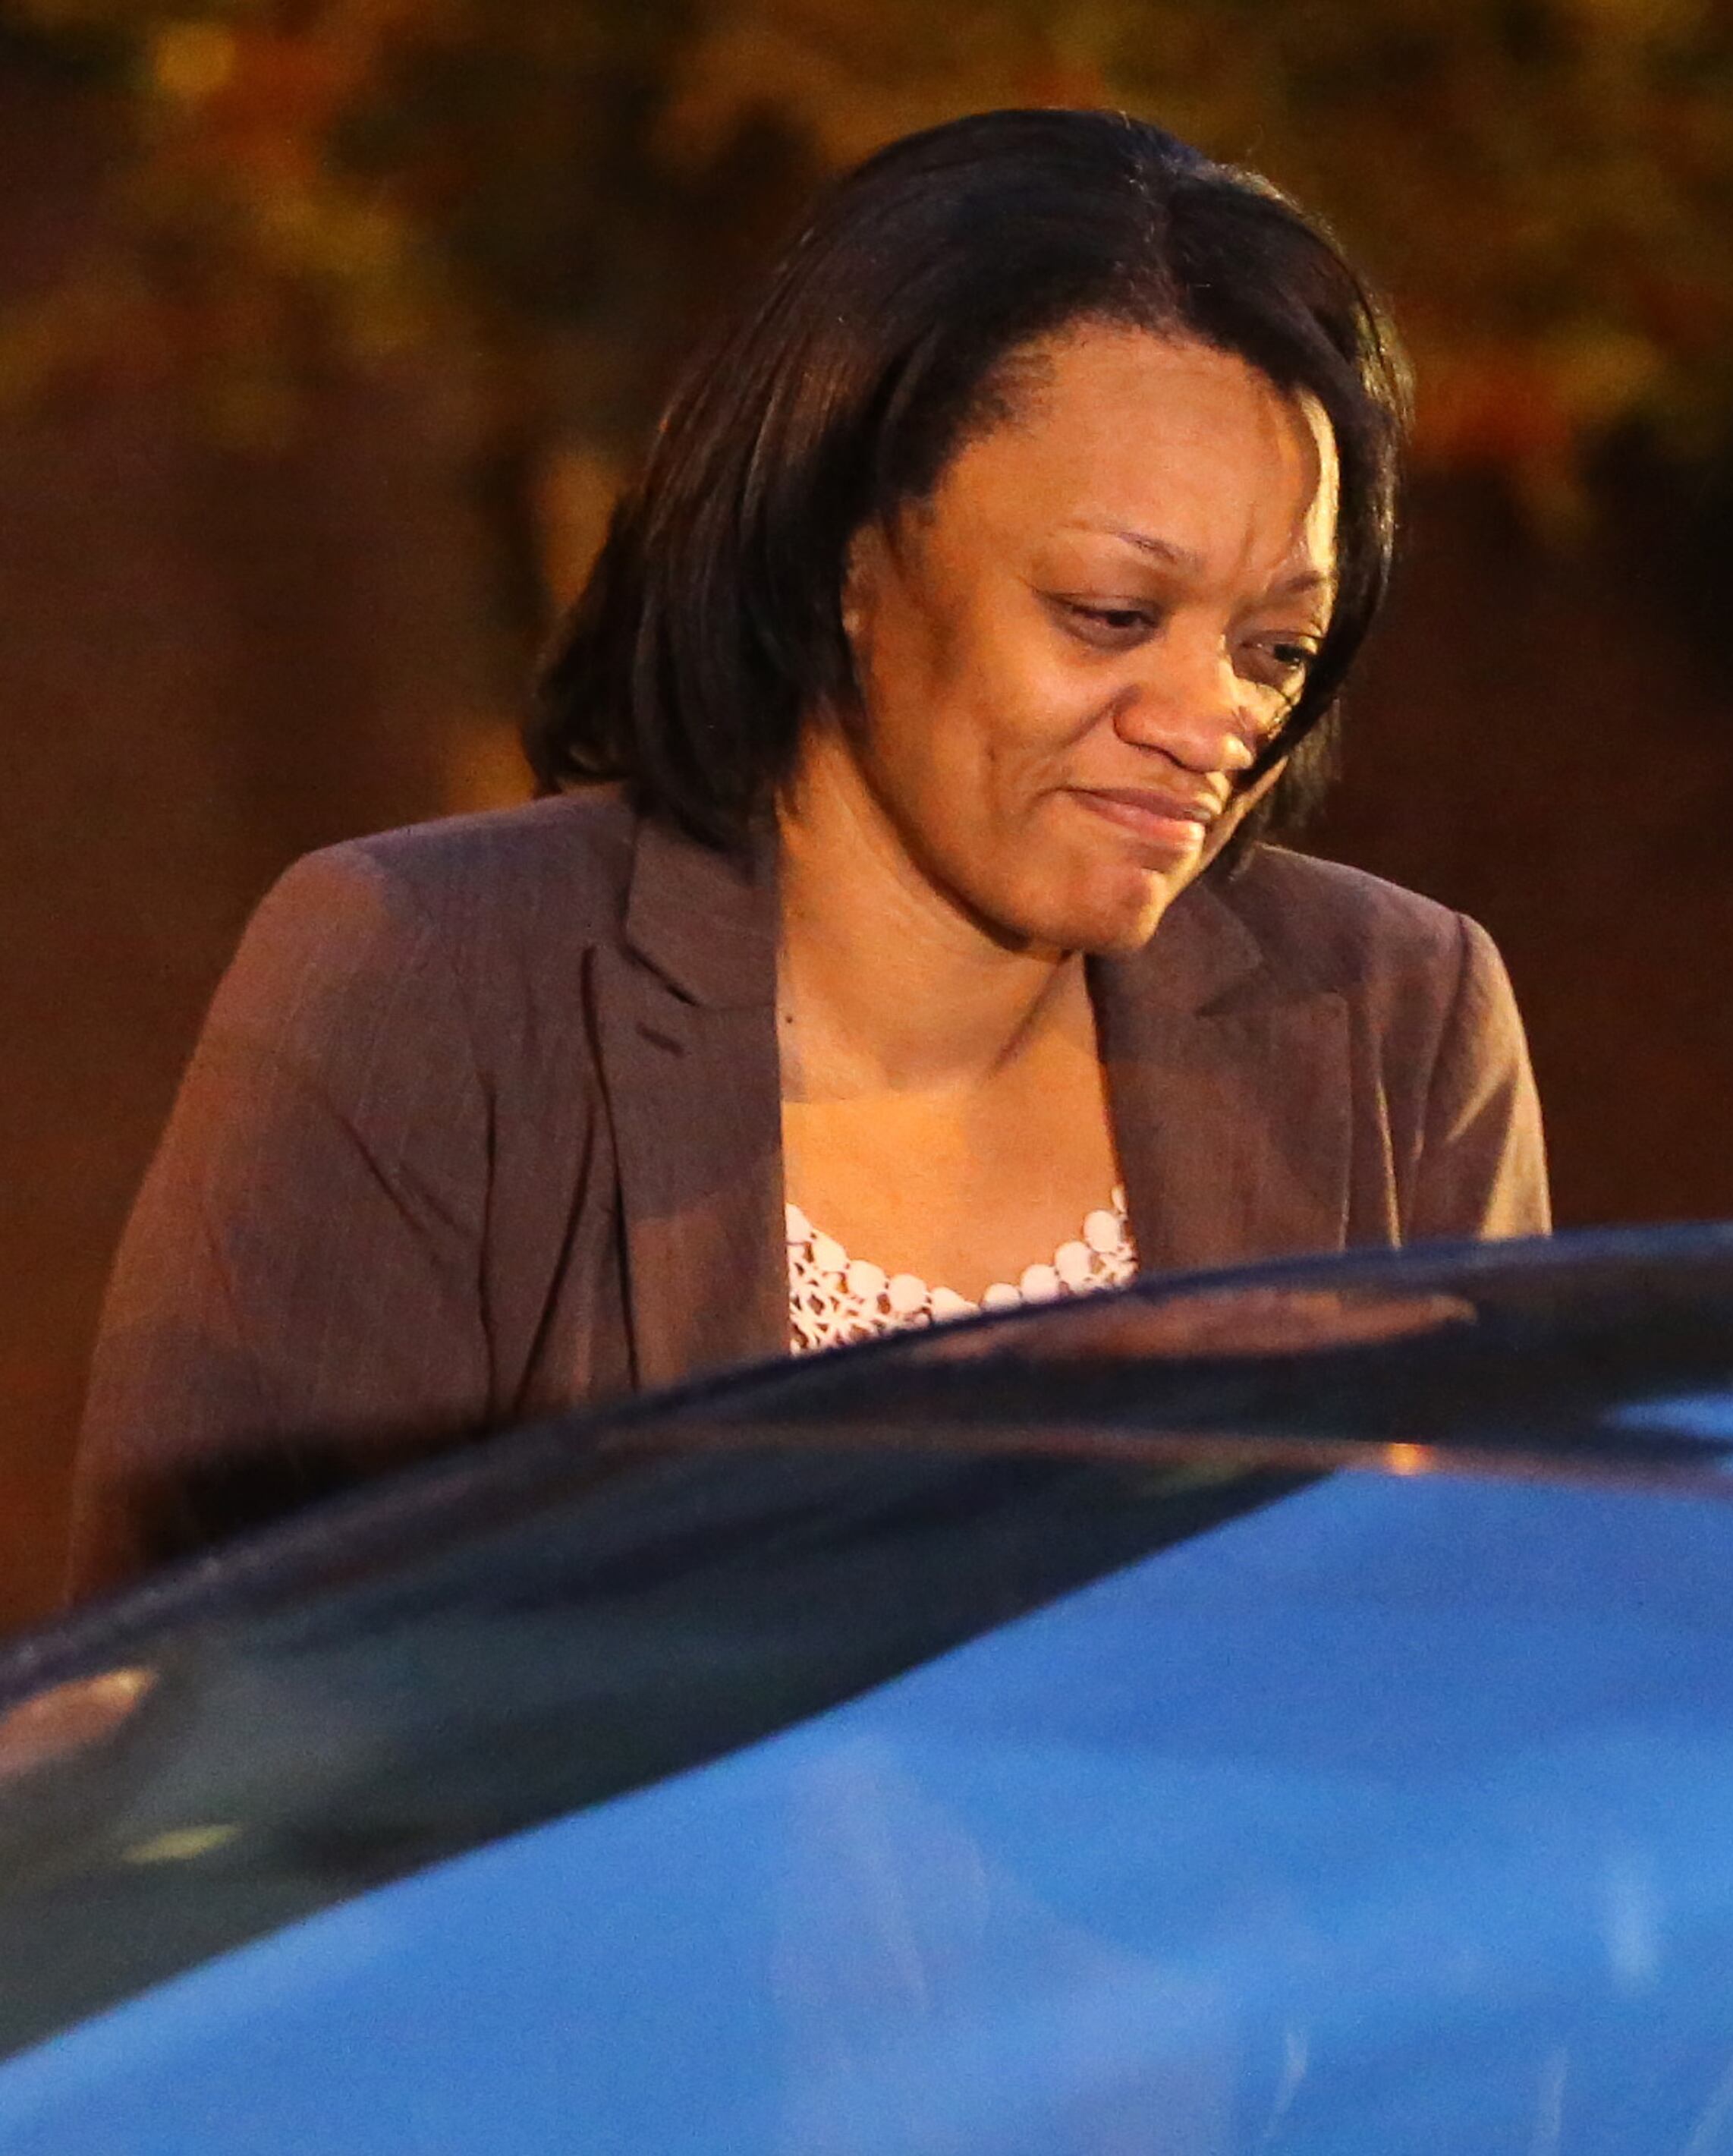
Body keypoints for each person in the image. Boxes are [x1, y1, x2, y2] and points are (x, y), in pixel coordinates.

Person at [67, 109, 1549, 1600]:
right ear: (849, 559)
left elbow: (1482, 1660)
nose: (1210, 716)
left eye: (1273, 646)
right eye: (1109, 612)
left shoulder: (1397, 1019)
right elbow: (198, 1711)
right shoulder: (426, 978)